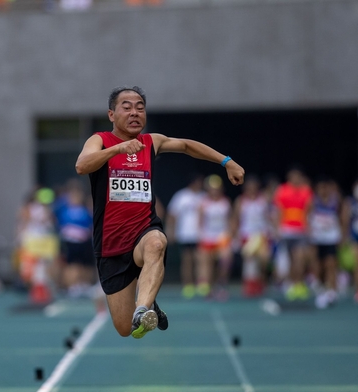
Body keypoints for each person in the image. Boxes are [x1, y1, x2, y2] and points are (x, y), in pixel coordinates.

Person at [75, 86, 244, 339]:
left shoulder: (150, 141)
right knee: (124, 329)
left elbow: (186, 146)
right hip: (111, 243)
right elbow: (82, 165)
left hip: (143, 230)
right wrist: (117, 150)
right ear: (111, 114)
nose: (135, 112)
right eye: (127, 107)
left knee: (157, 242)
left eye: (140, 108)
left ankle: (143, 308)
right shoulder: (99, 140)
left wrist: (226, 161)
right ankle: (147, 305)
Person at [273, 168, 312, 300]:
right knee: (289, 260)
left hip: (301, 230)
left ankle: (299, 284)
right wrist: (277, 227)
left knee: (299, 258)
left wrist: (308, 227)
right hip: (286, 230)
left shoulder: (306, 191)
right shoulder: (282, 190)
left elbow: (308, 210)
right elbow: (279, 210)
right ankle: (291, 284)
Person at [166, 174, 204, 299]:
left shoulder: (203, 197)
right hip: (185, 234)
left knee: (200, 259)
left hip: (200, 234)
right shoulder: (181, 196)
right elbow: (172, 214)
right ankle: (188, 285)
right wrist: (171, 231)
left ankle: (201, 283)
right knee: (187, 260)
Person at [233, 175, 271, 297]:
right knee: (249, 261)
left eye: (254, 187)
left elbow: (269, 216)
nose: (251, 190)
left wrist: (273, 231)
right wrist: (234, 235)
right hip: (246, 234)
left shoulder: (263, 200)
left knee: (263, 260)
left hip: (261, 234)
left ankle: (261, 282)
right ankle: (249, 285)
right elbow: (236, 219)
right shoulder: (241, 201)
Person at [196, 175, 233, 300]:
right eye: (212, 188)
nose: (214, 190)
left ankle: (221, 285)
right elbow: (200, 221)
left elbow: (229, 220)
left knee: (225, 261)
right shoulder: (203, 203)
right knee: (208, 264)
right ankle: (209, 288)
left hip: (222, 237)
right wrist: (201, 236)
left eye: (216, 188)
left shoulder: (225, 202)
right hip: (207, 237)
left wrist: (230, 235)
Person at [54, 183, 95, 298]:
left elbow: (90, 225)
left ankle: (82, 284)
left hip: (84, 242)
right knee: (72, 264)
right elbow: (60, 224)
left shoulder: (85, 210)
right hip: (70, 242)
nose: (76, 198)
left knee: (84, 265)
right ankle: (71, 286)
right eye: (73, 195)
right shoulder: (64, 210)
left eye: (77, 195)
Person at [309, 178, 342, 309]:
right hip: (317, 238)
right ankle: (321, 290)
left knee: (331, 265)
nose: (323, 190)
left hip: (331, 238)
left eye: (326, 188)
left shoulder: (335, 201)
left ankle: (332, 291)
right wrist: (309, 231)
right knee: (318, 266)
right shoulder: (313, 201)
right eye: (321, 188)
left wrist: (342, 235)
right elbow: (307, 216)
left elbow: (342, 217)